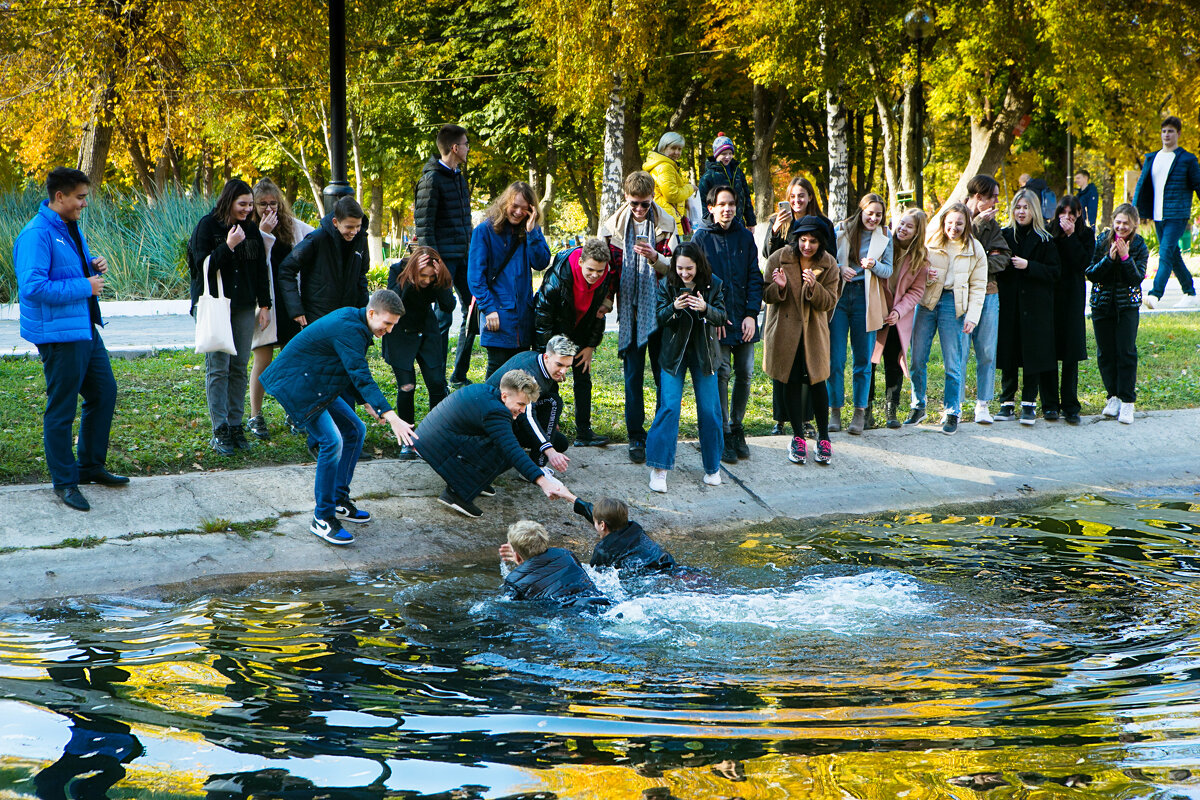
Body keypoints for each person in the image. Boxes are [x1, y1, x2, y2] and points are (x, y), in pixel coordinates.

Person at [259, 290, 417, 546]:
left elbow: (345, 367)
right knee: (332, 441)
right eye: (387, 323)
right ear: (371, 313)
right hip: (297, 384)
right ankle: (322, 518)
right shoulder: (350, 329)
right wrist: (390, 415)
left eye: (393, 325)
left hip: (317, 381)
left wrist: (366, 401)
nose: (389, 330)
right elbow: (359, 372)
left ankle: (338, 501)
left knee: (355, 429)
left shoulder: (356, 322)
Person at [13, 166, 127, 512]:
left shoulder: (67, 226)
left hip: (83, 328)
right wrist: (85, 285)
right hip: (59, 335)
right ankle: (65, 482)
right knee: (61, 409)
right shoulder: (37, 234)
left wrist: (91, 266)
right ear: (59, 197)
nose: (84, 203)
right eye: (80, 197)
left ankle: (90, 466)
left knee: (103, 392)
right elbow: (32, 287)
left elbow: (62, 271)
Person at [599, 171, 679, 464]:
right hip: (630, 312)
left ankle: (660, 432)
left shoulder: (667, 225)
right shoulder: (612, 229)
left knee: (662, 376)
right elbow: (608, 272)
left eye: (644, 204)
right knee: (632, 378)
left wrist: (654, 258)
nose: (639, 210)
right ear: (626, 197)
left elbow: (676, 270)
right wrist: (607, 301)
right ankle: (636, 437)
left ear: (652, 199)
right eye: (634, 203)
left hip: (661, 312)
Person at [414, 369, 570, 519]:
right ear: (504, 396)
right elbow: (512, 450)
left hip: (429, 437)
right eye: (521, 404)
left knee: (507, 440)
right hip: (433, 445)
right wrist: (543, 482)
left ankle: (475, 482)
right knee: (506, 449)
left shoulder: (488, 392)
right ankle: (456, 494)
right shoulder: (496, 412)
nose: (522, 410)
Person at [189, 178, 272, 456]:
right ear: (229, 201)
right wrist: (228, 245)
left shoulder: (251, 229)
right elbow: (201, 267)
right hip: (216, 306)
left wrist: (265, 305)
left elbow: (261, 269)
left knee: (239, 366)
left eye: (251, 204)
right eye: (243, 204)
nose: (248, 209)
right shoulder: (207, 226)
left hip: (244, 306)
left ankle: (236, 425)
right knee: (218, 368)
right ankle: (220, 428)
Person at [646, 242, 727, 492]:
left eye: (689, 268)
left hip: (705, 356)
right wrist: (673, 308)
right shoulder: (666, 284)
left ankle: (713, 467)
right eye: (680, 268)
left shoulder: (714, 283)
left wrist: (705, 308)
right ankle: (659, 468)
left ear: (698, 264)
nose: (684, 273)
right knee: (669, 407)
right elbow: (657, 316)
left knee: (710, 410)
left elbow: (722, 316)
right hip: (673, 355)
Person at [692, 185, 762, 463]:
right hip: (717, 322)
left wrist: (751, 315)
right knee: (722, 374)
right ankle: (723, 432)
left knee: (744, 373)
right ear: (711, 207)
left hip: (744, 319)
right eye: (721, 204)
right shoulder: (701, 239)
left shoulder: (745, 236)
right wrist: (714, 315)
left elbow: (755, 277)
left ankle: (737, 426)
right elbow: (695, 282)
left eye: (731, 204)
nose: (727, 209)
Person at [762, 216, 841, 465]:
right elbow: (765, 293)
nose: (807, 246)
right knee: (791, 380)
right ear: (796, 239)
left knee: (818, 383)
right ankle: (797, 437)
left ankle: (824, 438)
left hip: (813, 333)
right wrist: (781, 287)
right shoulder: (779, 257)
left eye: (813, 241)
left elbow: (830, 302)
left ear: (822, 242)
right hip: (785, 331)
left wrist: (814, 287)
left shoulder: (830, 264)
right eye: (803, 240)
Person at [907, 203, 987, 435]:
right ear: (943, 222)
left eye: (959, 223)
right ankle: (918, 405)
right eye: (949, 223)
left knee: (953, 362)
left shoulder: (975, 249)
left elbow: (979, 286)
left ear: (967, 225)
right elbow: (915, 268)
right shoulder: (931, 242)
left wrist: (972, 317)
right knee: (917, 358)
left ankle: (952, 411)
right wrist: (925, 274)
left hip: (954, 306)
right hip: (927, 302)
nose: (953, 227)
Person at [246, 178, 315, 441]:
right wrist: (263, 233)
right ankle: (255, 415)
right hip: (263, 303)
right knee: (262, 360)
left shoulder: (292, 228)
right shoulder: (249, 229)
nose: (268, 208)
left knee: (293, 361)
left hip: (290, 303)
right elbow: (253, 262)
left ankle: (294, 412)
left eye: (273, 203)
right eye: (262, 204)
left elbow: (313, 236)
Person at [532, 239, 617, 447]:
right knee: (550, 381)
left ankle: (584, 432)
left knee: (583, 378)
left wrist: (590, 346)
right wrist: (550, 354)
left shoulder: (604, 277)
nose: (595, 275)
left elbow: (599, 314)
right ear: (580, 262)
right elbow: (542, 316)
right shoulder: (559, 277)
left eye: (600, 270)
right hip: (554, 331)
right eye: (590, 269)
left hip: (581, 331)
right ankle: (548, 429)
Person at [467, 181, 551, 376]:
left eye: (524, 208)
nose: (518, 212)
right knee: (497, 376)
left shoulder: (530, 230)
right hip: (496, 317)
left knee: (520, 378)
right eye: (515, 206)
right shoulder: (484, 231)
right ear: (505, 203)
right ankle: (491, 408)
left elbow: (541, 262)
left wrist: (532, 233)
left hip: (523, 318)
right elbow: (475, 277)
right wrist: (488, 308)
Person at [414, 123, 475, 388]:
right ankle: (437, 379)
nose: (468, 148)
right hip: (443, 261)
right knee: (443, 315)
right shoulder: (431, 179)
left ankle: (458, 375)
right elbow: (424, 226)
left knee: (474, 309)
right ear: (455, 147)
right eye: (465, 144)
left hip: (464, 258)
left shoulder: (459, 176)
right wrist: (434, 263)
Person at [381, 245, 455, 458]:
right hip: (400, 332)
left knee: (437, 383)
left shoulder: (437, 277)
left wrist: (441, 282)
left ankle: (435, 435)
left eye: (431, 277)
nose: (427, 281)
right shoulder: (398, 270)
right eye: (424, 276)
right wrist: (411, 281)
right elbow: (391, 303)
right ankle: (407, 438)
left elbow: (448, 306)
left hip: (427, 330)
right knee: (407, 386)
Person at [997, 188, 1062, 425]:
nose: (1021, 211)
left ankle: (1029, 404)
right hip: (1010, 304)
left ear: (1033, 210)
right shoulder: (1004, 236)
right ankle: (1006, 403)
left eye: (1025, 207)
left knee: (1033, 353)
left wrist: (1029, 266)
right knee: (1010, 353)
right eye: (1017, 207)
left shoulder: (1046, 240)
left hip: (1036, 308)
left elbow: (1055, 273)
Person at [829, 193, 893, 435]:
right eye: (870, 213)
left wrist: (874, 265)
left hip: (867, 299)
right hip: (841, 297)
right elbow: (826, 260)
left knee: (863, 360)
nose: (874, 218)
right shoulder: (842, 230)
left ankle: (859, 412)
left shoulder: (885, 237)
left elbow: (888, 271)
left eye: (878, 214)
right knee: (836, 358)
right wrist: (840, 268)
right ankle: (834, 409)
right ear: (861, 211)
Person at [1086, 203, 1148, 425]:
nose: (1121, 227)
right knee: (1105, 353)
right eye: (1118, 222)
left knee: (1126, 352)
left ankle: (1127, 401)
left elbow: (1136, 278)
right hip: (1102, 306)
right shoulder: (1103, 241)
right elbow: (1091, 273)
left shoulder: (1139, 245)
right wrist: (1109, 258)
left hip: (1127, 307)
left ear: (1134, 225)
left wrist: (1124, 258)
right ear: (1112, 221)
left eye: (1126, 223)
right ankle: (1112, 396)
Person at [868, 209, 929, 429]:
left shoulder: (921, 258)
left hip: (896, 316)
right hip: (875, 310)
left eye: (909, 226)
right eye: (901, 224)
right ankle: (866, 410)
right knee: (869, 362)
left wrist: (898, 311)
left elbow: (916, 291)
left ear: (917, 232)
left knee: (893, 363)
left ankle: (891, 410)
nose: (902, 229)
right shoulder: (884, 244)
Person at [1133, 115, 1200, 309]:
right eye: (1164, 131)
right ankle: (1189, 291)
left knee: (1165, 253)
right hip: (1158, 214)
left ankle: (1155, 294)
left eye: (1171, 131)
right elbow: (1140, 185)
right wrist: (1134, 210)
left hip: (1177, 214)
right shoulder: (1152, 158)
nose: (1166, 135)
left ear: (1178, 133)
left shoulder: (1187, 159)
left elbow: (1198, 184)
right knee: (1173, 254)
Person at [485, 336, 578, 473]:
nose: (563, 371)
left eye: (567, 366)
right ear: (546, 357)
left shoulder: (536, 359)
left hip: (514, 414)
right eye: (559, 365)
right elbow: (527, 417)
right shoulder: (530, 376)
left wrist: (551, 423)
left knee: (560, 442)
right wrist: (549, 451)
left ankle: (537, 454)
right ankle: (536, 466)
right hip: (497, 422)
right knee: (554, 403)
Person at [276, 195, 369, 329]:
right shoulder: (316, 239)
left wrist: (363, 312)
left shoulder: (361, 240)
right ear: (335, 222)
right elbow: (286, 269)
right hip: (318, 316)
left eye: (358, 226)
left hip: (349, 315)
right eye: (349, 227)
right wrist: (296, 308)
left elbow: (361, 276)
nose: (354, 232)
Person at [962, 175, 1010, 424]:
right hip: (958, 296)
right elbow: (956, 250)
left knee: (987, 351)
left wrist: (977, 267)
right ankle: (954, 406)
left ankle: (983, 404)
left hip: (989, 293)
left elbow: (1002, 256)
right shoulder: (955, 217)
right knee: (957, 352)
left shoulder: (994, 225)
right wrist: (976, 226)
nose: (997, 201)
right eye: (993, 196)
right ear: (979, 197)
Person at [1046, 196, 1095, 424]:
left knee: (1070, 352)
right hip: (1051, 296)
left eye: (1072, 213)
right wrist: (1061, 235)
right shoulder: (1048, 232)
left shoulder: (1085, 234)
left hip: (1073, 297)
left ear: (1079, 214)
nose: (1067, 217)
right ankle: (1050, 404)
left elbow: (1083, 262)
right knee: (1049, 350)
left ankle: (1070, 405)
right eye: (1063, 212)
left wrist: (1072, 236)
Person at [499, 521, 611, 611]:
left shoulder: (513, 582)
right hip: (599, 601)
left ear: (517, 556)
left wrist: (521, 564)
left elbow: (514, 610)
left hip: (569, 614)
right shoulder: (566, 554)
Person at [569, 494, 676, 574]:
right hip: (667, 565)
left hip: (647, 577)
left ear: (602, 525)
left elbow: (596, 577)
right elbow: (600, 515)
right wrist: (568, 496)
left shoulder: (604, 551)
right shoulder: (635, 530)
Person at [697, 134, 756, 229]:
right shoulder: (708, 176)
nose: (727, 157)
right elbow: (703, 203)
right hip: (719, 225)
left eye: (730, 153)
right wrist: (710, 224)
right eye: (723, 154)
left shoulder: (738, 172)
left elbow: (746, 197)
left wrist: (750, 221)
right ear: (716, 155)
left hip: (739, 224)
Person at [643, 132, 695, 232]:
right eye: (673, 148)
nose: (677, 152)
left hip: (664, 215)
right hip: (667, 219)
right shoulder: (665, 167)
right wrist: (691, 188)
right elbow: (672, 195)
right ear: (663, 147)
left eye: (679, 149)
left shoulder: (663, 165)